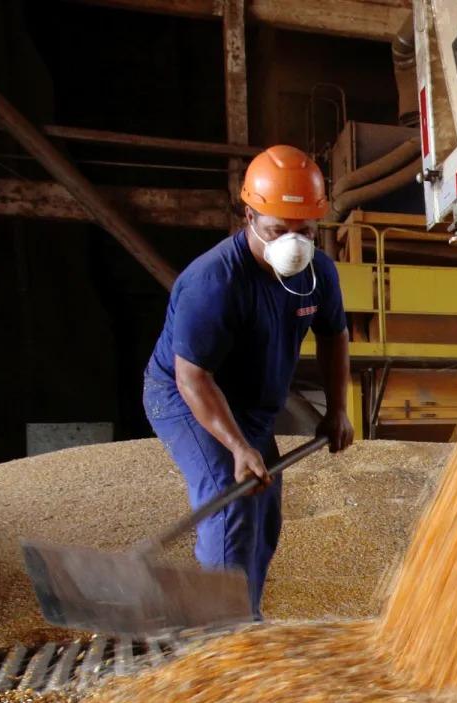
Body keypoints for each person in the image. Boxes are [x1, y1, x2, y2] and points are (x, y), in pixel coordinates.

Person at [142, 144, 354, 620]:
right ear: (250, 214)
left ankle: (242, 619)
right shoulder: (213, 282)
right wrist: (238, 448)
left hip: (252, 406)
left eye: (305, 231)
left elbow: (334, 336)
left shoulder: (317, 272)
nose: (294, 243)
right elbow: (192, 376)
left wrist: (337, 409)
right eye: (279, 230)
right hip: (184, 396)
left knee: (265, 514)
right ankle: (216, 637)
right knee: (230, 500)